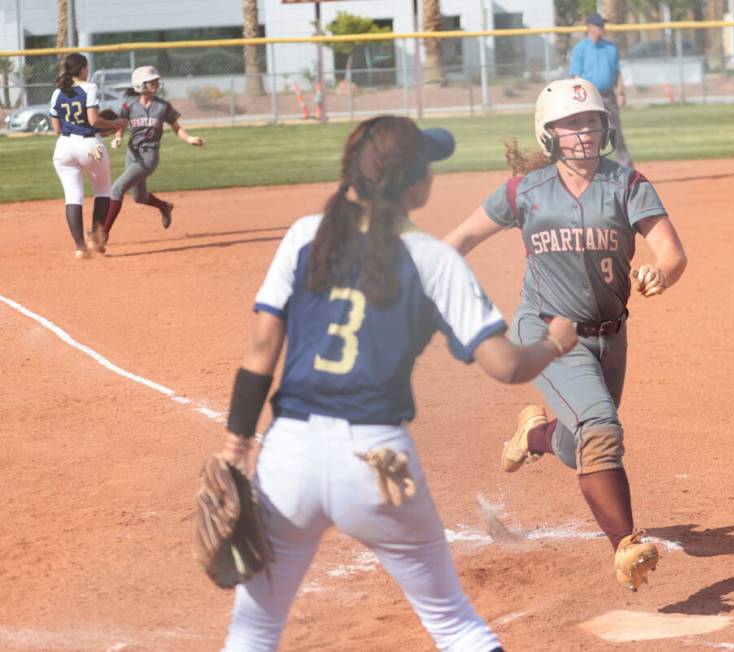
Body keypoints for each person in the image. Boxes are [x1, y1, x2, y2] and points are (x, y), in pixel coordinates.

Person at [217, 115, 578, 651]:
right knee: (453, 624)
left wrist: (234, 445)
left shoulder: (304, 237)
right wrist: (555, 343)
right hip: (377, 462)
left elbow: (261, 352)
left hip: (287, 456)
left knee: (254, 630)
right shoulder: (433, 259)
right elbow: (504, 366)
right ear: (416, 184)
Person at [444, 78, 688, 592]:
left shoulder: (627, 184)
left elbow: (672, 251)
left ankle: (534, 434)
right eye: (570, 124)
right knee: (601, 427)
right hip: (549, 331)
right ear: (548, 133)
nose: (582, 133)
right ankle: (626, 544)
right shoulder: (524, 192)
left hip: (610, 336)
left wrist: (660, 272)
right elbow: (464, 235)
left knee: (582, 446)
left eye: (591, 122)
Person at [91, 66, 204, 252]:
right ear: (140, 85)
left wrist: (189, 138)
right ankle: (164, 207)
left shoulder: (163, 106)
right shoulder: (129, 104)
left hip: (148, 157)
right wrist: (118, 137)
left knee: (116, 189)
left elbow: (176, 127)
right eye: (152, 81)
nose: (156, 83)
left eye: (156, 81)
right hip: (131, 154)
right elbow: (121, 122)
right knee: (139, 197)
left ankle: (103, 235)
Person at [48, 53, 125, 259]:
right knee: (102, 190)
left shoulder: (57, 92)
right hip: (89, 144)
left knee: (73, 197)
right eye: (86, 67)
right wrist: (115, 124)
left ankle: (80, 247)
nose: (87, 70)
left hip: (63, 147)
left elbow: (56, 128)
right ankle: (95, 238)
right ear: (81, 68)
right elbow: (93, 120)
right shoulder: (89, 87)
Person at [569, 12, 632, 169]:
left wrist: (621, 93)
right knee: (591, 133)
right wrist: (579, 99)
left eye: (602, 25)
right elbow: (576, 76)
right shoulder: (580, 48)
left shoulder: (610, 47)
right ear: (589, 27)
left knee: (616, 133)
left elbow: (617, 72)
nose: (601, 28)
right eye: (598, 25)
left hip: (608, 94)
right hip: (589, 96)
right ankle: (591, 167)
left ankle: (627, 170)